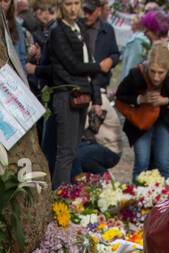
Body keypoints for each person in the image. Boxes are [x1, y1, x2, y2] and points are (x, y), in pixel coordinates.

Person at [48, 0, 112, 188]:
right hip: (66, 93)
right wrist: (98, 67)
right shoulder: (58, 31)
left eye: (76, 3)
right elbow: (72, 65)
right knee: (65, 151)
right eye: (69, 4)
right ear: (61, 6)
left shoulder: (80, 27)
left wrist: (96, 96)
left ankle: (66, 194)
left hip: (82, 94)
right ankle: (59, 196)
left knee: (73, 149)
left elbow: (87, 65)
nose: (74, 8)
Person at [116, 40, 169, 178]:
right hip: (141, 119)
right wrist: (140, 99)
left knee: (163, 163)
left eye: (161, 73)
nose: (156, 77)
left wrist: (165, 100)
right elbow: (121, 94)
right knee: (142, 163)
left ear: (168, 69)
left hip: (165, 119)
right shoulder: (136, 74)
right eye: (152, 71)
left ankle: (163, 198)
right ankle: (137, 196)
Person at [81, 0, 120, 93]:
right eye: (84, 11)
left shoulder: (108, 30)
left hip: (99, 85)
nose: (86, 16)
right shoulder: (75, 27)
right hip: (78, 84)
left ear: (98, 10)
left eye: (90, 12)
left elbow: (115, 53)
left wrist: (110, 60)